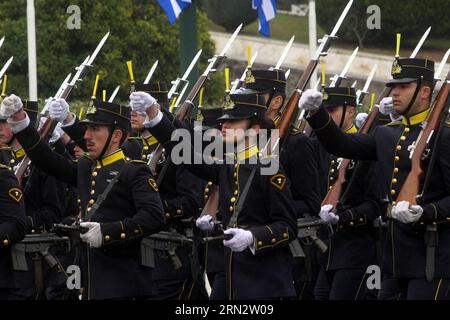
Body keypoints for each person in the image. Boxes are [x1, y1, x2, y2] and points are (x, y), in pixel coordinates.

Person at [299, 57, 450, 300]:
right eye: (394, 86)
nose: (395, 92)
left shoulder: (443, 136)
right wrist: (317, 115)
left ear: (424, 91)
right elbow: (342, 144)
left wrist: (427, 212)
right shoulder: (387, 134)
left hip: (433, 259)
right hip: (394, 259)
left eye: (403, 87)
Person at [131, 89, 298, 299]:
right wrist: (154, 113)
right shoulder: (228, 165)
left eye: (234, 122)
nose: (224, 126)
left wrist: (252, 237)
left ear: (255, 129)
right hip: (232, 280)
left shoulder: (269, 168)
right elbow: (183, 153)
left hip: (265, 285)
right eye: (224, 122)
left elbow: (287, 226)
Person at [2, 95, 166, 300]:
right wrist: (21, 122)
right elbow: (46, 159)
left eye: (95, 129)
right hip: (89, 275)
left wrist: (107, 232)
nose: (86, 136)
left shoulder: (134, 171)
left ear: (116, 135)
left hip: (123, 281)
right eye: (87, 129)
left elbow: (154, 217)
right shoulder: (86, 167)